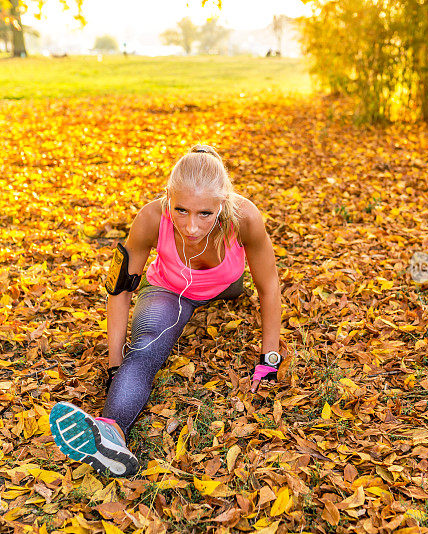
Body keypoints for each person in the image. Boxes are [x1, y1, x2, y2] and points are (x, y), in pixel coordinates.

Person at [48, 145, 284, 477]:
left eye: (205, 214)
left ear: (223, 204)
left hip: (226, 285)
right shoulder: (151, 218)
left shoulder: (244, 218)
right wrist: (116, 365)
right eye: (181, 210)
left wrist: (268, 360)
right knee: (145, 347)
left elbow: (269, 285)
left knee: (236, 290)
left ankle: (224, 292)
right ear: (168, 198)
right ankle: (110, 435)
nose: (190, 227)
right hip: (169, 290)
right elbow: (119, 289)